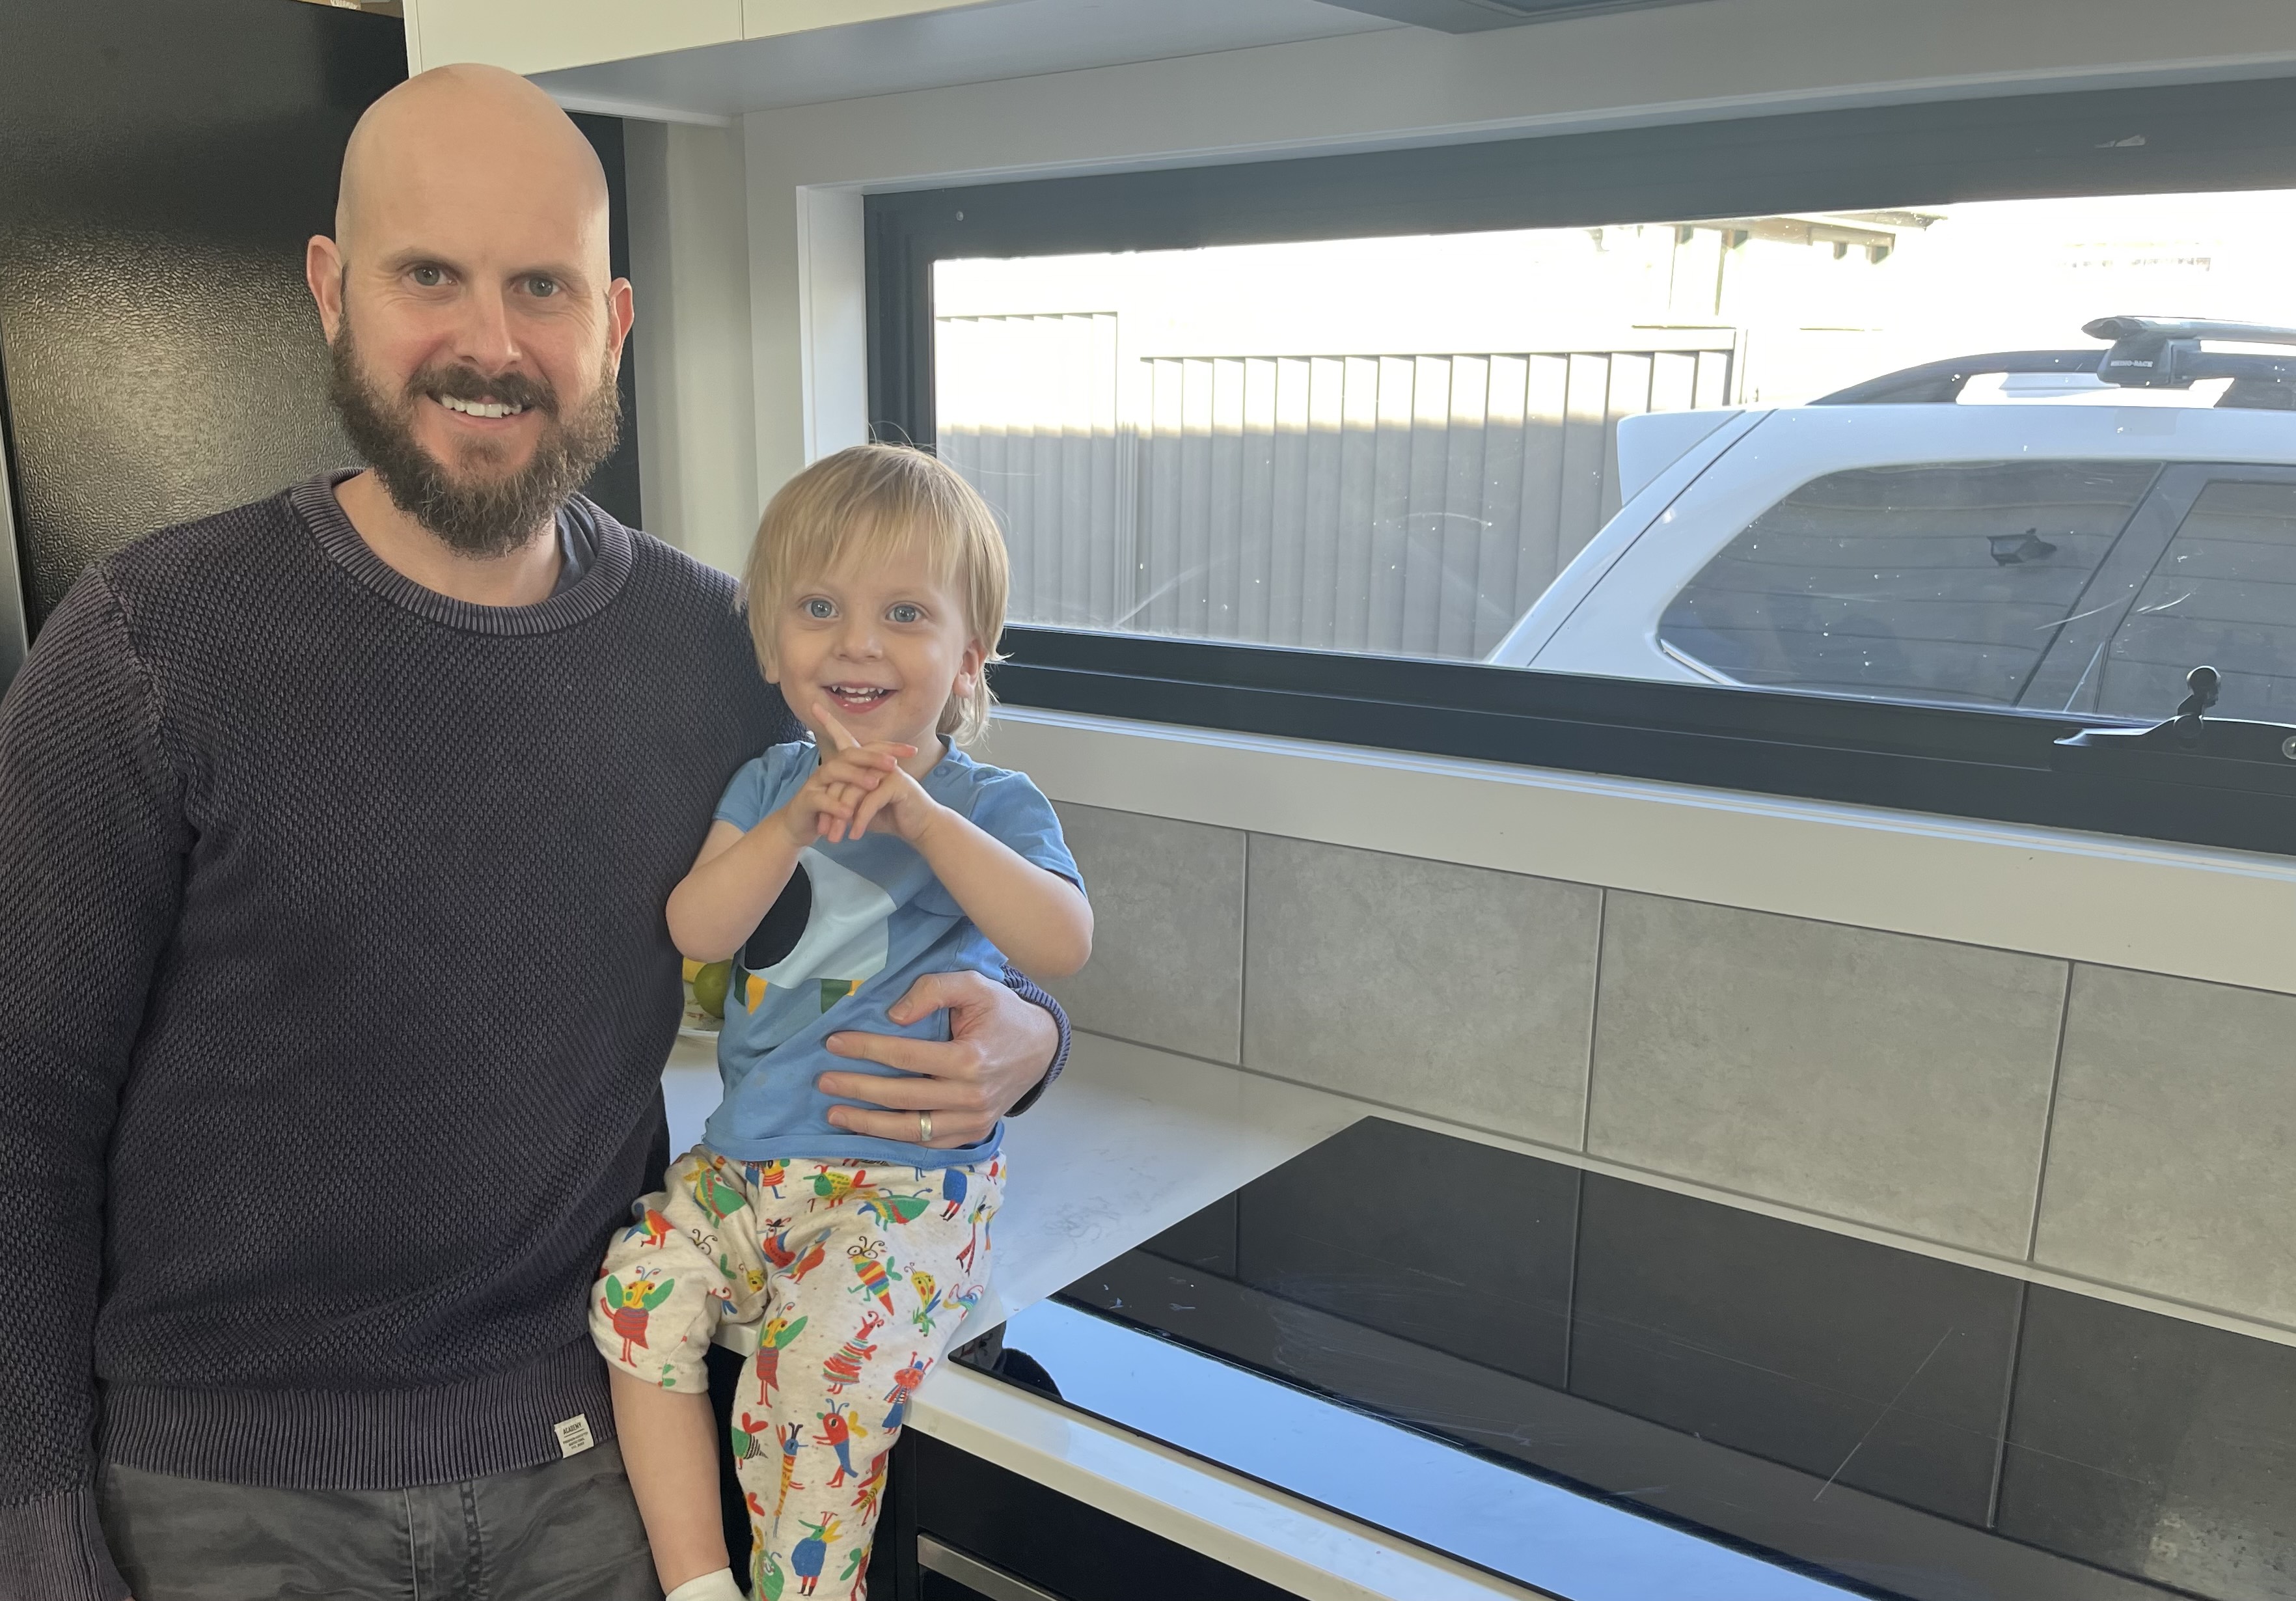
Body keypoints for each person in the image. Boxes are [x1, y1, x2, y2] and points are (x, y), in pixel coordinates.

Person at [0, 65, 1067, 1601]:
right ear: (330, 289)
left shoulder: (723, 651)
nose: (490, 344)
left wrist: (1027, 1039)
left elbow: (925, 863)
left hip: (597, 1459)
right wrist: (36, 1539)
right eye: (429, 274)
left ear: (612, 322)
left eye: (541, 286)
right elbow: (19, 1116)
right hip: (225, 1497)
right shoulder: (149, 647)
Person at [594, 445, 1089, 1601]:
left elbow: (1060, 943)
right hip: (743, 1173)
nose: (857, 641)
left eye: (903, 612)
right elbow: (700, 929)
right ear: (773, 648)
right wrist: (788, 831)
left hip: (901, 1195)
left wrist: (920, 823)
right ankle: (699, 1584)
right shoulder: (767, 787)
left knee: (814, 1386)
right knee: (634, 1296)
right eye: (819, 609)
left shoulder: (989, 803)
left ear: (966, 656)